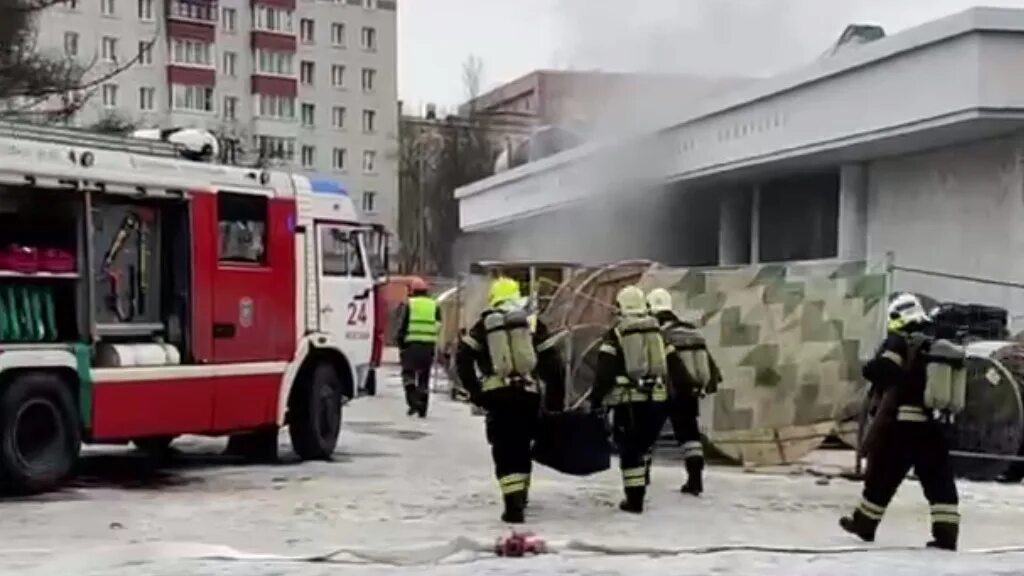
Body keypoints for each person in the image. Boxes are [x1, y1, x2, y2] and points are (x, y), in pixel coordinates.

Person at [839, 293, 960, 551]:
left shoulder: (899, 341)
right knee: (939, 481)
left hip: (902, 425)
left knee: (882, 475)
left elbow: (883, 369)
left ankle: (865, 523)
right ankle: (947, 534)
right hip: (933, 425)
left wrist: (870, 368)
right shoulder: (936, 341)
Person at [455, 276, 566, 523]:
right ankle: (521, 495)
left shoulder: (484, 325)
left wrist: (476, 392)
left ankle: (512, 505)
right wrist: (554, 402)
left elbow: (462, 357)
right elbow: (554, 365)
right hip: (528, 396)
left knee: (504, 448)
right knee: (522, 445)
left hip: (497, 396)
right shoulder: (533, 323)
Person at [591, 285, 687, 514]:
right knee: (644, 446)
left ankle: (634, 501)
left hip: (628, 403)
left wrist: (596, 400)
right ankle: (640, 489)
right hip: (657, 401)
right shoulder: (657, 332)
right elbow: (675, 365)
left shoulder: (616, 333)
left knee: (630, 451)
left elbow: (604, 371)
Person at [646, 287, 721, 496]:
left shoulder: (659, 333)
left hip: (664, 391)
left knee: (646, 434)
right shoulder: (692, 330)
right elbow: (709, 365)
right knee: (690, 437)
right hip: (690, 392)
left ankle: (640, 480)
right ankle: (695, 480)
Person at [396, 277, 440, 418]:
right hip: (428, 346)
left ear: (412, 290)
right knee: (424, 377)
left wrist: (400, 342)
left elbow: (403, 325)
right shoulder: (435, 305)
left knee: (408, 375)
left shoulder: (410, 304)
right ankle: (423, 408)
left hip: (411, 345)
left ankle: (414, 402)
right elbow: (438, 326)